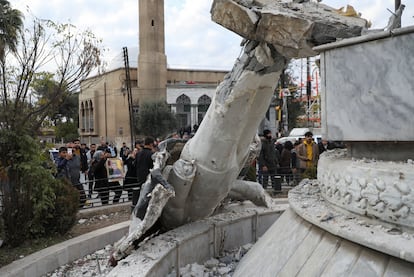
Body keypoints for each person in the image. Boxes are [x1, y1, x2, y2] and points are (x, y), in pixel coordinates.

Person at [133, 137, 155, 206]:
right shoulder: (151, 154)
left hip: (139, 177)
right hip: (148, 178)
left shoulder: (138, 153)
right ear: (151, 144)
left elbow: (135, 164)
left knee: (141, 193)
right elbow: (153, 167)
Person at [67, 139, 87, 207]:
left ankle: (78, 208)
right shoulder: (65, 158)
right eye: (70, 148)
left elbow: (82, 164)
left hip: (77, 180)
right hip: (68, 181)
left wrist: (84, 169)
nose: (72, 149)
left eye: (74, 148)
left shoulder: (78, 157)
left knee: (83, 197)